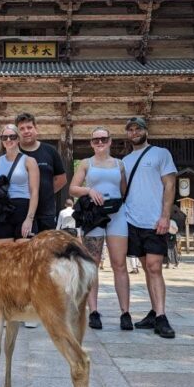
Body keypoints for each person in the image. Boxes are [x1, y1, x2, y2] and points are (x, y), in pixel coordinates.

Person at [69, 127, 133, 331]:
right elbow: (72, 188)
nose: (99, 143)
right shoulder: (86, 163)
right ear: (91, 143)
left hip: (116, 214)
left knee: (119, 263)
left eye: (103, 139)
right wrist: (89, 190)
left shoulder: (119, 164)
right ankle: (94, 311)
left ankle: (125, 312)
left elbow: (124, 190)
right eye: (95, 140)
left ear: (110, 141)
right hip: (93, 215)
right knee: (92, 263)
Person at [122, 117, 177, 338]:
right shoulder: (124, 160)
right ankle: (154, 311)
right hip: (132, 219)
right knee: (146, 267)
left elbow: (170, 185)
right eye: (131, 130)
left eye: (138, 129)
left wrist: (165, 216)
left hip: (155, 220)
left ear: (146, 131)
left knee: (155, 267)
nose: (134, 132)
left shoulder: (160, 153)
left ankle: (162, 316)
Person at [0, 124, 40, 244]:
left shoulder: (29, 161)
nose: (8, 140)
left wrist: (29, 218)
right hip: (3, 210)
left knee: (25, 257)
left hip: (23, 207)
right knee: (5, 256)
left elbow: (34, 191)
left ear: (18, 139)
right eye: (4, 137)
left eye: (12, 137)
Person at [16, 113, 66, 233]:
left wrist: (45, 192)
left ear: (36, 129)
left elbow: (61, 179)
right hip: (21, 210)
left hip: (46, 211)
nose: (26, 131)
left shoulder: (50, 151)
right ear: (17, 133)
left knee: (47, 248)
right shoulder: (14, 152)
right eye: (22, 129)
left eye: (29, 127)